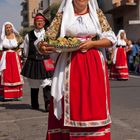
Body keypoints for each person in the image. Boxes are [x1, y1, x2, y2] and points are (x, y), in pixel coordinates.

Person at [38, 0, 116, 139]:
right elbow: (46, 40)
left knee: (93, 104)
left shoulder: (97, 14)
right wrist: (42, 47)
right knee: (71, 102)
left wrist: (92, 43)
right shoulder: (62, 15)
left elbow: (111, 39)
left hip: (93, 65)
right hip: (68, 65)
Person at [21, 13, 54, 112]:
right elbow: (26, 50)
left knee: (47, 82)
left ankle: (48, 104)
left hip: (45, 61)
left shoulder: (49, 34)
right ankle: (34, 104)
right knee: (33, 83)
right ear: (34, 22)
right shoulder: (28, 35)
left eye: (41, 21)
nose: (39, 22)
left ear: (44, 23)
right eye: (37, 21)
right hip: (33, 61)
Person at [0, 22, 23, 101]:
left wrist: (19, 50)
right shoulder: (2, 38)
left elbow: (22, 45)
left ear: (12, 27)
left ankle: (17, 95)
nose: (9, 29)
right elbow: (0, 49)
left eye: (10, 27)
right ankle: (5, 95)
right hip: (5, 57)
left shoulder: (17, 37)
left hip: (15, 57)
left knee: (16, 75)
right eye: (7, 27)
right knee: (6, 75)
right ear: (5, 29)